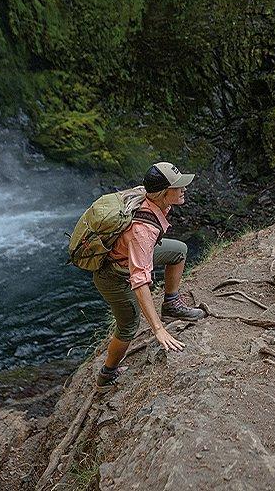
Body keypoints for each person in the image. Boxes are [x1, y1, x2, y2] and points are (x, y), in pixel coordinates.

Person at [93, 161, 205, 389]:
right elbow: (140, 281)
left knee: (179, 251)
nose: (184, 189)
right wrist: (158, 329)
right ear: (164, 193)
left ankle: (172, 305)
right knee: (128, 325)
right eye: (179, 186)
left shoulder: (151, 196)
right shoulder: (142, 230)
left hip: (127, 256)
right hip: (112, 276)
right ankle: (106, 375)